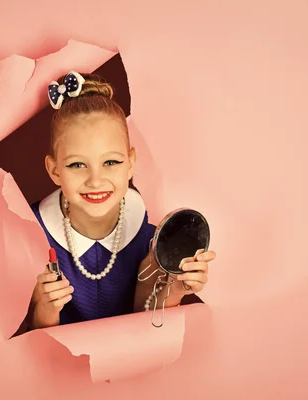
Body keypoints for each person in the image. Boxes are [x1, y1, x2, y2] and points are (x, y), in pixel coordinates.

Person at [15, 71, 216, 334]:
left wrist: (176, 288)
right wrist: (45, 308)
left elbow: (146, 324)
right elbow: (35, 339)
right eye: (77, 165)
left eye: (111, 162)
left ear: (130, 163)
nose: (96, 180)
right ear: (54, 171)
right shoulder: (28, 235)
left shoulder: (151, 240)